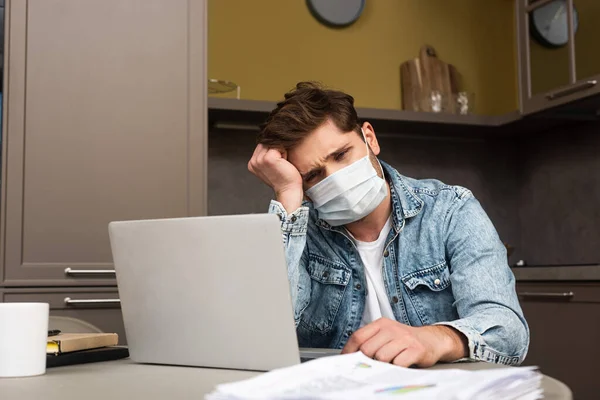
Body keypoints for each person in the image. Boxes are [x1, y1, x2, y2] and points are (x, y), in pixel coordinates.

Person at [248, 82, 529, 367]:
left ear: (369, 138)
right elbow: (266, 335)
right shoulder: (301, 232)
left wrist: (436, 338)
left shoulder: (450, 211)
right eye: (314, 175)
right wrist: (287, 196)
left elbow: (508, 331)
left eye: (342, 154)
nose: (336, 179)